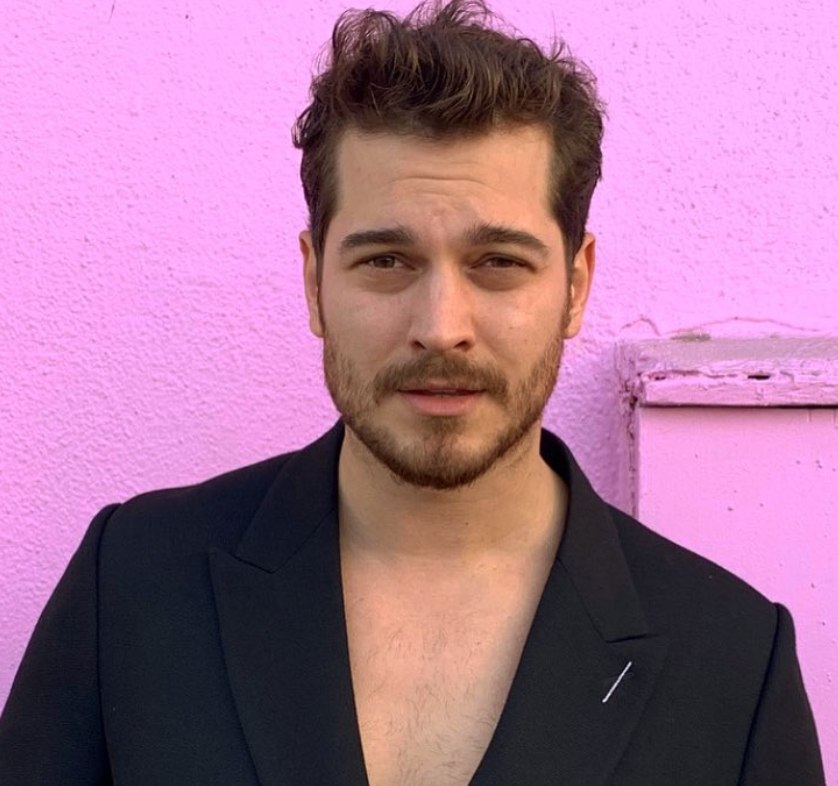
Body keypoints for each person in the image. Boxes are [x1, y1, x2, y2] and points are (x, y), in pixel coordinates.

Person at [0, 1, 824, 783]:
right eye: (387, 261)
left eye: (498, 262)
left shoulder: (732, 662)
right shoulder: (133, 586)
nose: (440, 326)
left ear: (575, 286)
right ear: (315, 282)